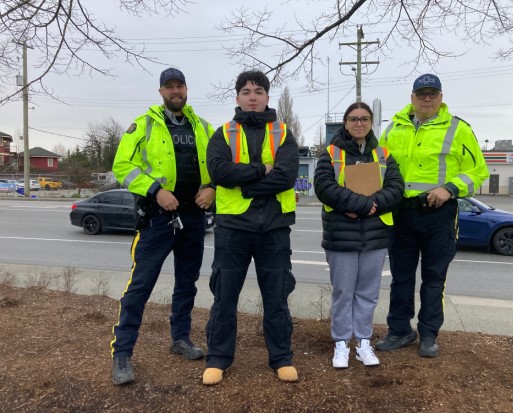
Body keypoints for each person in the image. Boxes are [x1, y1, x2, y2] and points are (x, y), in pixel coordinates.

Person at [110, 67, 216, 385]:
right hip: (158, 219)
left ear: (186, 89)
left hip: (193, 219)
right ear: (161, 92)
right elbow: (122, 165)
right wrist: (156, 191)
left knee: (187, 284)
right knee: (139, 288)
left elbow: (218, 165)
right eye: (169, 87)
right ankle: (122, 354)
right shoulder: (143, 125)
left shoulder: (204, 127)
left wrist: (212, 187)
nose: (175, 91)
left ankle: (180, 339)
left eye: (179, 86)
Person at [376, 74, 489, 358]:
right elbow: (377, 168)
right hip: (401, 213)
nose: (427, 99)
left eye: (432, 94)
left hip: (438, 214)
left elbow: (479, 173)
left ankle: (428, 334)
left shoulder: (458, 129)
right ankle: (399, 330)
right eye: (422, 94)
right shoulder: (392, 128)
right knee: (400, 277)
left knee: (434, 278)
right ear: (412, 97)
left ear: (441, 97)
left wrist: (450, 188)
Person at [202, 70, 299, 385]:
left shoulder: (284, 133)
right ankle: (217, 359)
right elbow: (218, 172)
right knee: (224, 297)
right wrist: (260, 169)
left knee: (276, 297)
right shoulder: (223, 133)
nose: (253, 96)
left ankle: (281, 358)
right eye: (246, 91)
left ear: (268, 96)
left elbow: (285, 176)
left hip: (274, 229)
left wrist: (245, 185)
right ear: (238, 97)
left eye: (258, 91)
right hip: (233, 229)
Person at [314, 102, 403, 369]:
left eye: (364, 119)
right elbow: (324, 187)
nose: (359, 123)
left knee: (368, 293)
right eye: (353, 119)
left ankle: (363, 342)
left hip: (375, 237)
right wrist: (362, 205)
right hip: (341, 236)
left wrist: (373, 205)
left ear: (371, 122)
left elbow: (396, 187)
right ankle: (341, 343)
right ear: (345, 122)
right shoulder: (330, 153)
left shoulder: (383, 154)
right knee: (343, 292)